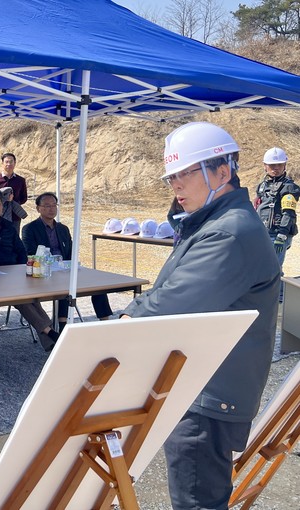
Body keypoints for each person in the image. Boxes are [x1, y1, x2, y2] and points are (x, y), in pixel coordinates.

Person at [122, 122, 280, 510]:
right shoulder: (216, 222)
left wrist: (122, 322)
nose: (175, 185)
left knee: (197, 503)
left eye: (185, 173)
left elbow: (171, 304)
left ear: (222, 172)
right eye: (171, 177)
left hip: (208, 394)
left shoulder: (229, 232)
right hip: (206, 386)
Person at [0, 188, 59, 351]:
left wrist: (19, 271)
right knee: (21, 297)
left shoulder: (9, 227)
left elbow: (20, 252)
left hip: (13, 275)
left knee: (30, 297)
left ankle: (51, 337)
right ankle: (50, 333)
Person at [21, 192, 114, 329]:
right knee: (65, 285)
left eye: (54, 205)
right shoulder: (29, 229)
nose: (51, 209)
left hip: (65, 268)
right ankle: (63, 324)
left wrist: (71, 265)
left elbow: (71, 252)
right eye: (47, 206)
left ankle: (106, 322)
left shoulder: (63, 229)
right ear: (38, 208)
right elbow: (30, 253)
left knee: (97, 286)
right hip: (44, 271)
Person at [255, 147, 300, 275]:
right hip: (263, 233)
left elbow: (288, 213)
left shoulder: (288, 187)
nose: (276, 168)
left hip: (278, 234)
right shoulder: (262, 186)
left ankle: (279, 289)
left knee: (273, 271)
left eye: (279, 165)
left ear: (284, 165)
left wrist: (282, 235)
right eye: (272, 165)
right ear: (265, 166)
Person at [0, 152, 29, 231]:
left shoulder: (21, 180)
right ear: (2, 163)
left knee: (14, 237)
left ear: (15, 163)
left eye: (11, 162)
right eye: (6, 162)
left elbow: (24, 198)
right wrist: (3, 199)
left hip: (15, 216)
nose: (9, 164)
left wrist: (13, 202)